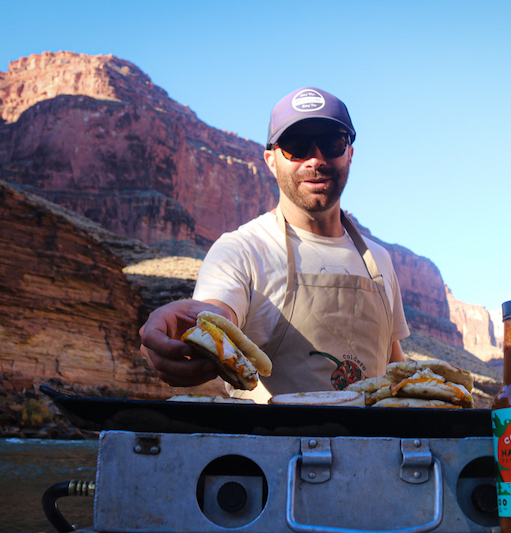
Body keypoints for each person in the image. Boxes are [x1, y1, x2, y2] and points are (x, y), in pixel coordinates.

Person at [139, 87, 410, 402]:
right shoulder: (240, 250)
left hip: (373, 448)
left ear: (349, 153)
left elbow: (393, 365)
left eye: (331, 142)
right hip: (272, 449)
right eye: (296, 146)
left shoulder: (380, 261)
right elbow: (217, 316)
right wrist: (186, 322)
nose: (316, 158)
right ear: (271, 160)